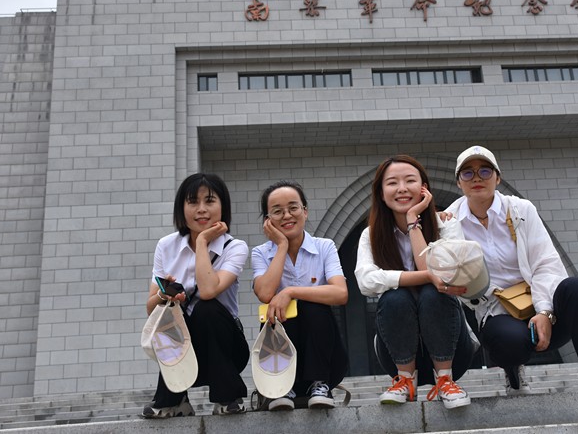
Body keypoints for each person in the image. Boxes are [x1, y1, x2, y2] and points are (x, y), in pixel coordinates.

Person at [444, 145, 578, 422]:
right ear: (458, 182)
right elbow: (453, 277)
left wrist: (545, 311)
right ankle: (513, 370)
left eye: (485, 171)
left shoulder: (520, 209)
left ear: (497, 177)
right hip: (497, 311)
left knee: (577, 288)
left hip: (542, 305)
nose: (477, 177)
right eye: (468, 173)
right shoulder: (450, 222)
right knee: (508, 341)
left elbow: (545, 262)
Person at [355, 155, 476, 410]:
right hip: (396, 354)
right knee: (395, 297)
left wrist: (413, 220)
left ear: (424, 188)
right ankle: (405, 381)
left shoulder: (446, 225)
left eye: (410, 181)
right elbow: (366, 281)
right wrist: (425, 277)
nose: (401, 188)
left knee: (434, 293)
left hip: (453, 348)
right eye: (392, 183)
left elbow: (445, 275)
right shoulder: (371, 235)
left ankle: (445, 381)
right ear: (381, 193)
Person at [143, 173, 250, 418]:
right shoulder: (166, 246)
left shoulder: (235, 247)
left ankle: (227, 397)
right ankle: (174, 399)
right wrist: (166, 296)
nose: (201, 209)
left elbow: (210, 290)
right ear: (182, 209)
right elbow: (150, 308)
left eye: (209, 201)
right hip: (182, 349)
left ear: (223, 206)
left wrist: (202, 242)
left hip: (226, 350)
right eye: (193, 202)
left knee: (206, 308)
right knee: (169, 314)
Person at [252, 181, 349, 410]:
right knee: (280, 310)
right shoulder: (260, 253)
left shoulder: (324, 247)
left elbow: (340, 293)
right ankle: (282, 387)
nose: (287, 215)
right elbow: (265, 293)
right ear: (268, 220)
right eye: (277, 211)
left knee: (314, 305)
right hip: (280, 354)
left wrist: (290, 291)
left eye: (293, 207)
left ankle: (320, 384)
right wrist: (281, 245)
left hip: (324, 356)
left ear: (305, 211)